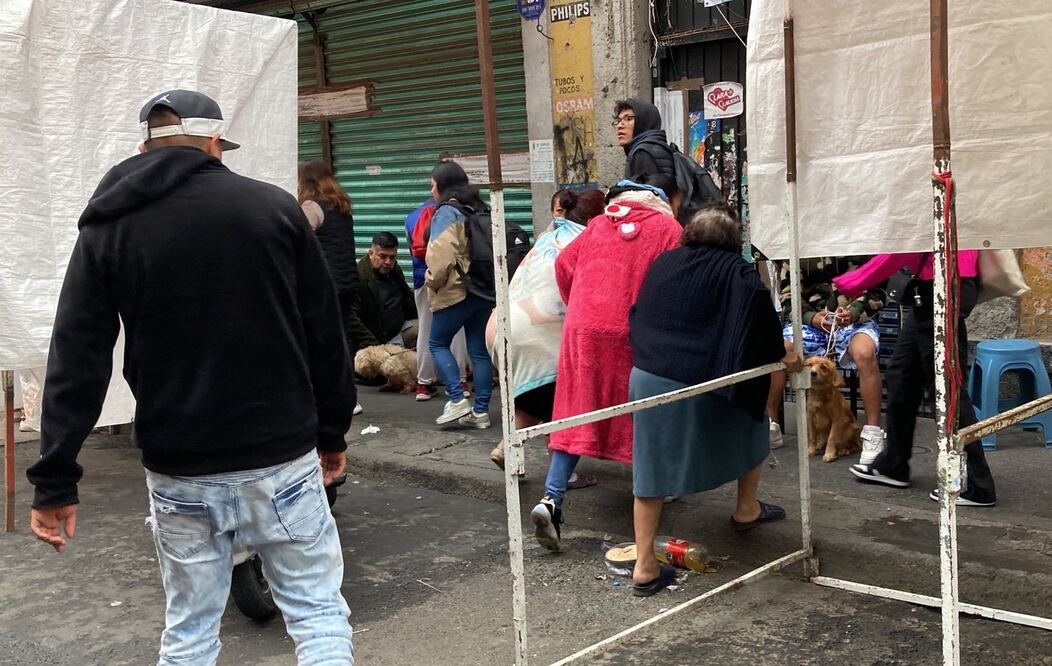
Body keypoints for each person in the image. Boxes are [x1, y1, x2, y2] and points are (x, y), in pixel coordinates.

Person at [26, 90, 357, 663]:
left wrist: (56, 477)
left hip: (180, 465)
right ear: (213, 145)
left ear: (143, 146)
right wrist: (332, 434)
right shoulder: (274, 210)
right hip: (281, 454)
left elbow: (77, 355)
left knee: (191, 630)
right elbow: (324, 334)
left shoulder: (109, 226)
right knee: (317, 613)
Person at [627, 204, 803, 596]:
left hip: (647, 376)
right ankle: (746, 509)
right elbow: (760, 331)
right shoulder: (738, 273)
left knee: (651, 469)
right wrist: (786, 353)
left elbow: (638, 313)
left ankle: (643, 565)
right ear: (733, 241)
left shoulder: (664, 263)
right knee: (752, 423)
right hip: (700, 381)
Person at [530, 176, 683, 552]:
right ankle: (649, 490)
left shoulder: (599, 223)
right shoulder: (668, 229)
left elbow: (564, 262)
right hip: (633, 329)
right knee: (641, 408)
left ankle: (551, 498)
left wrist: (579, 301)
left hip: (582, 329)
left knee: (575, 410)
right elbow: (676, 280)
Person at [837, 253, 998, 506]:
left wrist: (857, 279)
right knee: (901, 374)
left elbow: (905, 250)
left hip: (945, 287)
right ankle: (894, 466)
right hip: (929, 291)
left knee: (947, 391)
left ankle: (978, 484)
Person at [485, 187, 606, 476]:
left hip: (500, 325)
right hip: (538, 332)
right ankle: (563, 473)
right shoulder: (588, 241)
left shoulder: (548, 235)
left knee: (533, 394)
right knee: (561, 397)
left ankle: (506, 449)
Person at [766, 258, 887, 465]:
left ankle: (872, 432)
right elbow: (787, 296)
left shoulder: (864, 242)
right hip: (810, 320)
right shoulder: (799, 249)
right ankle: (772, 424)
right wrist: (811, 317)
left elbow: (879, 291)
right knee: (778, 350)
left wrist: (854, 312)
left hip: (855, 320)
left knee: (865, 353)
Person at [425, 161, 494, 428]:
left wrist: (431, 282)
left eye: (432, 185)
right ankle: (481, 412)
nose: (432, 191)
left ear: (442, 185)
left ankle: (456, 398)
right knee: (478, 350)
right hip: (482, 290)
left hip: (455, 290)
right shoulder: (479, 206)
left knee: (437, 343)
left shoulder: (447, 212)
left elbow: (442, 259)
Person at [299, 158, 364, 415]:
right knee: (342, 338)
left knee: (319, 341)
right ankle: (350, 397)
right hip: (348, 282)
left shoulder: (311, 207)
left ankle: (327, 397)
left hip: (324, 285)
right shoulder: (341, 205)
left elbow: (296, 237)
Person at [405, 198, 469, 401]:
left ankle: (424, 384)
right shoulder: (457, 213)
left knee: (425, 329)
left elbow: (412, 249)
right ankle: (459, 381)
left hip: (422, 277)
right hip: (451, 279)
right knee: (456, 331)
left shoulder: (412, 216)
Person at [346, 231, 417, 350]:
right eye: (382, 256)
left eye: (392, 257)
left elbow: (407, 297)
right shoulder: (359, 278)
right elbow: (350, 318)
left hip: (401, 331)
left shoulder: (394, 270)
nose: (388, 262)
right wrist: (374, 346)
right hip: (378, 342)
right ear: (370, 254)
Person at [615, 98, 675, 181]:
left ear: (644, 122)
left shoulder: (642, 153)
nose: (619, 125)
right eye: (618, 120)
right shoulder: (657, 147)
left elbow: (642, 193)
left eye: (628, 119)